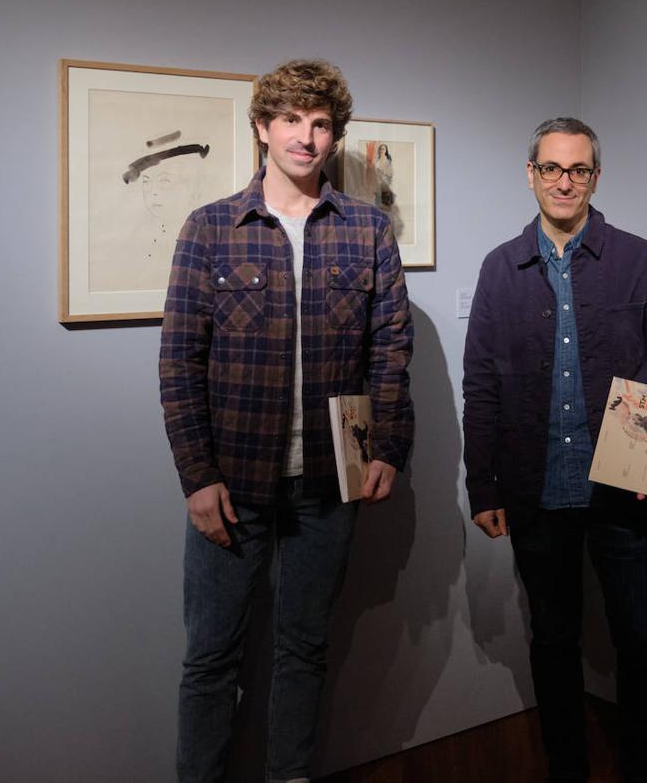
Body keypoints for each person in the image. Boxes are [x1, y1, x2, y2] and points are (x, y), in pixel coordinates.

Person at [159, 59, 414, 783]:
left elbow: (390, 349)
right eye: (292, 120)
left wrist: (386, 447)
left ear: (335, 136)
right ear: (264, 127)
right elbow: (179, 362)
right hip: (232, 480)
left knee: (304, 649)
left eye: (321, 123)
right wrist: (197, 477)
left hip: (332, 477)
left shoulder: (366, 229)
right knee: (211, 655)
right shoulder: (210, 228)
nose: (306, 136)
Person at [463, 117, 647, 782]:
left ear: (595, 176)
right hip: (538, 488)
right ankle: (567, 768)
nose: (565, 182)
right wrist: (484, 486)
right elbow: (479, 383)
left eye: (579, 170)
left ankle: (642, 768)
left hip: (624, 488)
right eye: (553, 169)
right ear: (531, 174)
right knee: (554, 642)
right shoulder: (500, 269)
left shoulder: (635, 258)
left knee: (643, 641)